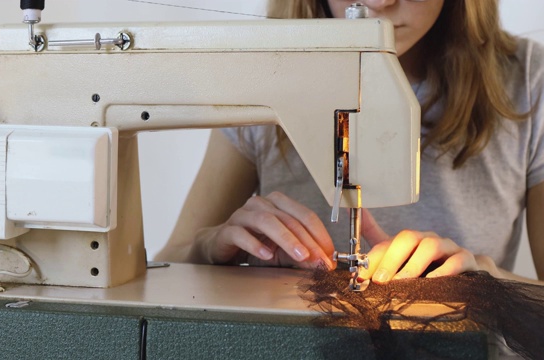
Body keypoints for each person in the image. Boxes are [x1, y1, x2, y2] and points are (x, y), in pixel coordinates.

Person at [155, 0, 544, 286]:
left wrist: (488, 279)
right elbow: (167, 263)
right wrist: (207, 249)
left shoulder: (529, 82)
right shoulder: (265, 77)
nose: (378, 3)